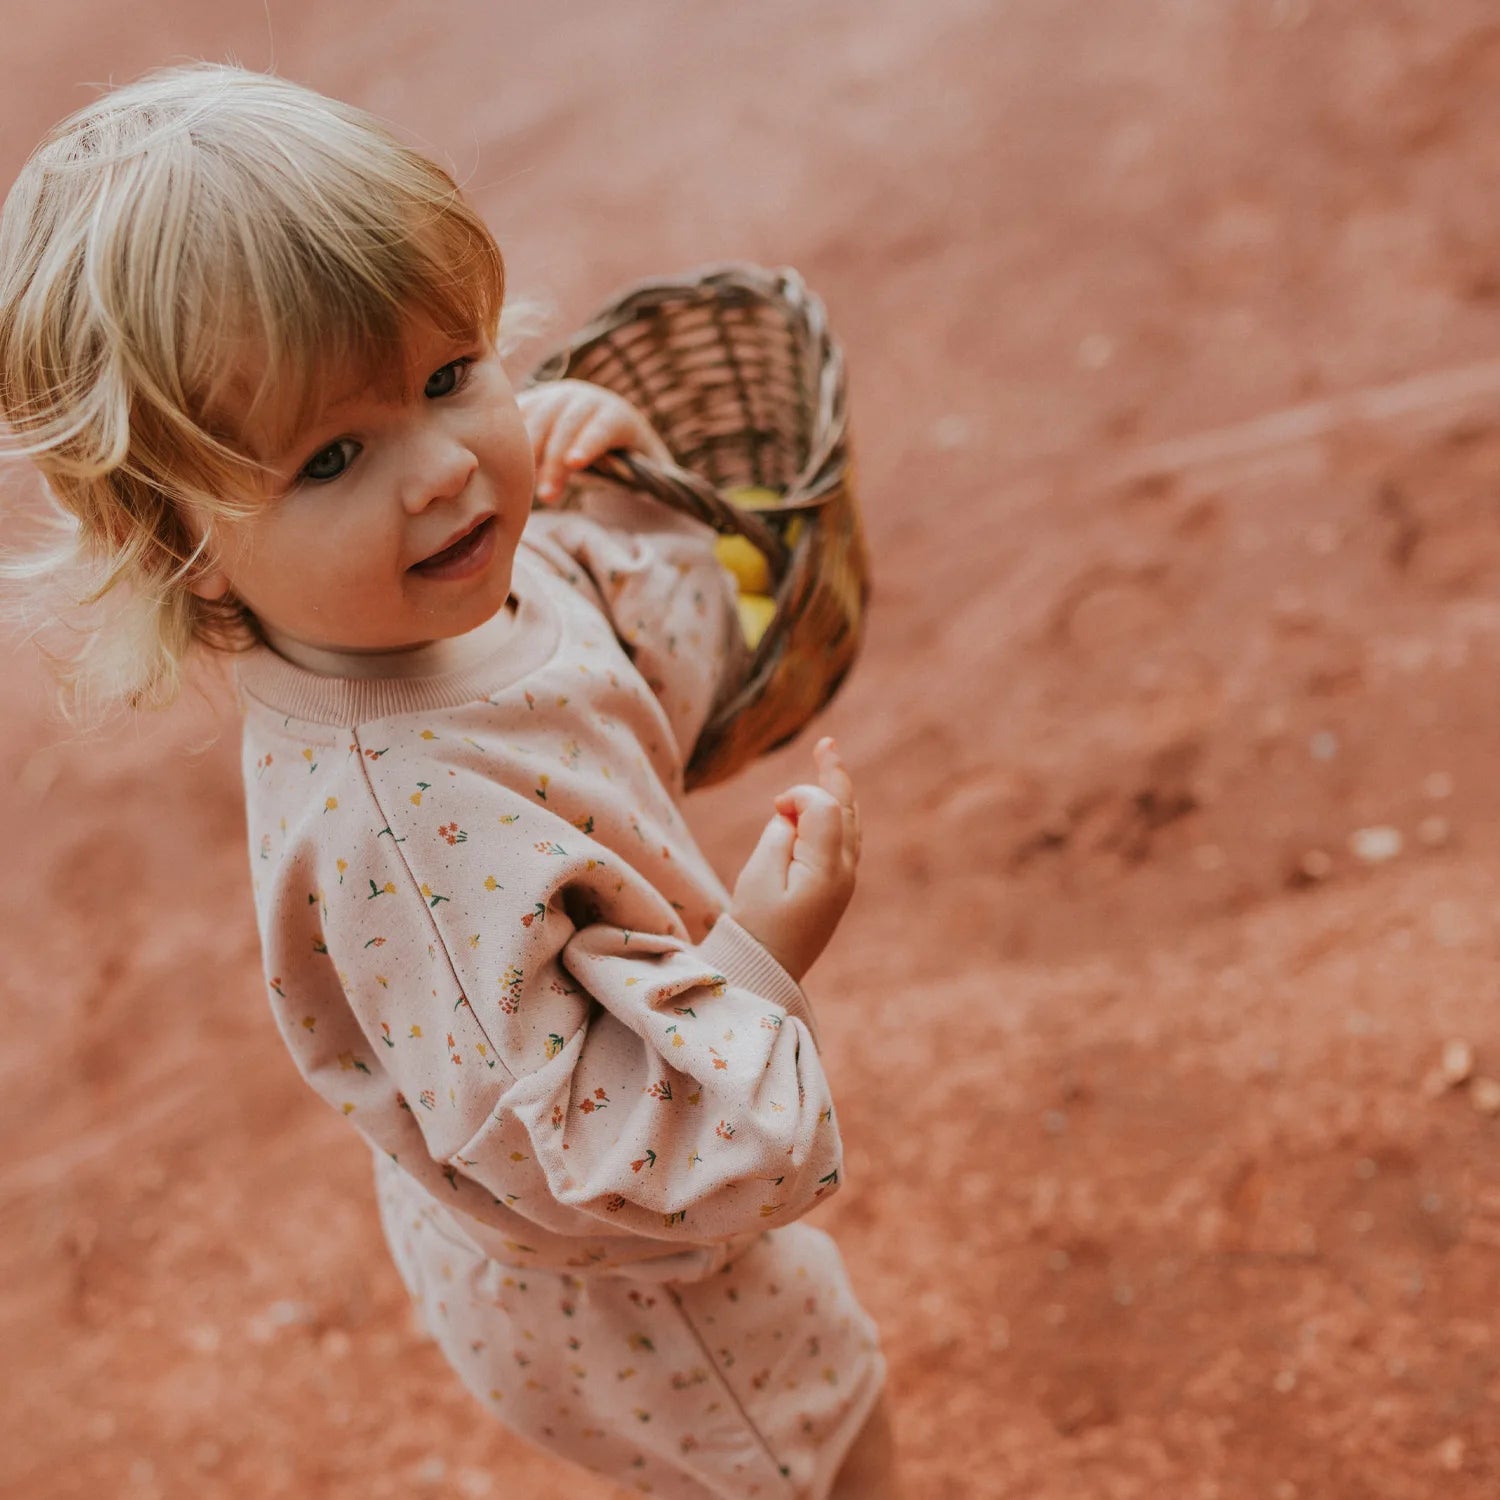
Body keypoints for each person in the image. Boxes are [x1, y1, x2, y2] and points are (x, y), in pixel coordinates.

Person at [0, 64, 896, 1500]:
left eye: (447, 376)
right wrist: (761, 957)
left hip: (620, 1223)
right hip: (639, 1289)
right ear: (179, 545)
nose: (442, 473)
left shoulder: (433, 595)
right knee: (819, 1458)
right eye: (335, 453)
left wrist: (631, 484)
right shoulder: (399, 828)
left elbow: (638, 682)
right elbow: (584, 1161)